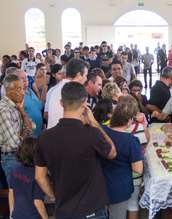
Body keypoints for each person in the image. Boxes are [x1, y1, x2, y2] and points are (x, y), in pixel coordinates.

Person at [34, 82, 117, 219]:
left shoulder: (45, 137)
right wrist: (95, 123)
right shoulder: (91, 133)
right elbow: (112, 153)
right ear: (85, 103)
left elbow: (39, 176)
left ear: (61, 103)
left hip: (64, 210)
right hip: (92, 210)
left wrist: (53, 196)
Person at [101, 95, 143, 219]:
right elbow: (138, 169)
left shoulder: (103, 131)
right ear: (130, 120)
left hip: (101, 182)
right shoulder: (131, 141)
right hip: (120, 187)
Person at [0, 74, 32, 184]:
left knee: (21, 192)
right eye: (19, 89)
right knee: (17, 194)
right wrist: (24, 132)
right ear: (8, 90)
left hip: (18, 155)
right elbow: (14, 143)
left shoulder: (15, 106)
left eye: (23, 88)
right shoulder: (4, 110)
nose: (23, 92)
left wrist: (22, 111)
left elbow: (31, 127)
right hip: (11, 158)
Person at [8, 137, 47, 219]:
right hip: (32, 215)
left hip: (17, 214)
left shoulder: (13, 168)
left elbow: (11, 192)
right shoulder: (37, 174)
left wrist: (11, 213)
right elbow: (38, 202)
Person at [46, 58, 88, 128]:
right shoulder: (73, 91)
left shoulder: (56, 88)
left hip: (54, 133)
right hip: (64, 133)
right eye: (85, 75)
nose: (86, 79)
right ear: (78, 75)